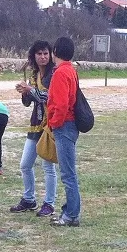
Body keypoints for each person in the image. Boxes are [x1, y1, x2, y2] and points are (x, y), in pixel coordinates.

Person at [10, 40, 59, 218]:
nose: (43, 57)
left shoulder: (54, 74)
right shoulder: (34, 74)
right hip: (35, 124)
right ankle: (29, 199)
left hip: (49, 125)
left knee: (48, 167)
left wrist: (29, 89)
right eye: (39, 54)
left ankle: (49, 203)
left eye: (46, 53)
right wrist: (24, 92)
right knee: (25, 165)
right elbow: (28, 102)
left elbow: (48, 97)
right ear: (34, 56)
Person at [45, 35, 82, 227]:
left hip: (64, 125)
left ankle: (71, 215)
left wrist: (54, 122)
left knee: (68, 173)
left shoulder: (60, 73)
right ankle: (70, 210)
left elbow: (61, 104)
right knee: (68, 172)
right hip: (70, 124)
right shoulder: (71, 70)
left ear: (56, 52)